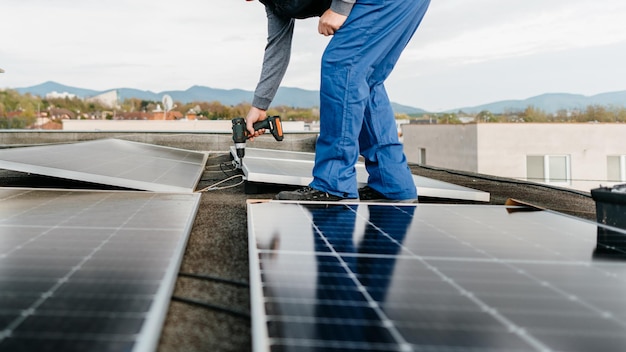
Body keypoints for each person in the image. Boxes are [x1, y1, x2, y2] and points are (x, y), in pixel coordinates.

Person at [245, 0, 431, 202]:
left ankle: (333, 183)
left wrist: (340, 7)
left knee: (341, 65)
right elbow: (277, 47)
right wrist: (260, 105)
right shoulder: (274, 5)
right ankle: (392, 183)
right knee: (365, 80)